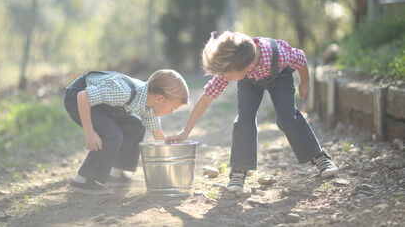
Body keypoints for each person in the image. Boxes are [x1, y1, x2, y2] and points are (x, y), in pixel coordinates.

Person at [166, 31, 338, 194]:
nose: (227, 80)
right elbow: (206, 98)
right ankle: (238, 171)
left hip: (279, 76)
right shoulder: (234, 64)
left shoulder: (279, 55)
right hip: (249, 83)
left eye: (230, 77)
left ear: (247, 68)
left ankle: (319, 156)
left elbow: (300, 58)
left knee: (288, 118)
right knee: (244, 120)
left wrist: (305, 82)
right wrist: (186, 131)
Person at [64, 69, 189, 195]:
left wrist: (172, 168)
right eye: (172, 108)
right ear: (160, 98)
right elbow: (82, 96)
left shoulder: (149, 107)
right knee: (112, 134)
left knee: (136, 125)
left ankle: (115, 174)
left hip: (99, 105)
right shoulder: (123, 91)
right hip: (77, 99)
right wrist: (89, 132)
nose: (172, 112)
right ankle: (82, 180)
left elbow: (160, 139)